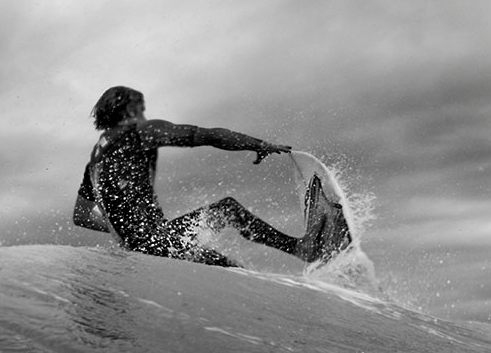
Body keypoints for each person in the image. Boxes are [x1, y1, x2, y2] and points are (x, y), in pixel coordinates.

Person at [73, 85, 318, 267]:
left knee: (231, 268)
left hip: (142, 248)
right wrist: (258, 144)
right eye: (140, 109)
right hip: (158, 242)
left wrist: (126, 231)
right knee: (228, 210)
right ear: (128, 109)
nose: (144, 115)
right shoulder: (140, 132)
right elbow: (208, 135)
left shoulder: (94, 164)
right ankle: (301, 248)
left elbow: (81, 216)